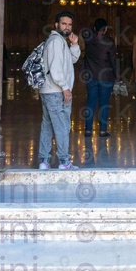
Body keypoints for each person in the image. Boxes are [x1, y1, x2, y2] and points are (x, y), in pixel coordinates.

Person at [37, 11, 80, 170]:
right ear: (56, 25)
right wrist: (65, 88)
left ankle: (44, 161)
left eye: (69, 25)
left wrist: (74, 45)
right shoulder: (56, 41)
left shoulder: (60, 41)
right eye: (64, 24)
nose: (67, 27)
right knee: (62, 126)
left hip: (50, 91)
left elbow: (71, 61)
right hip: (56, 92)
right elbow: (56, 69)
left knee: (48, 125)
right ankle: (64, 162)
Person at [81, 17, 117, 137]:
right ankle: (102, 130)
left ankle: (88, 130)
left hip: (91, 76)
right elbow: (113, 60)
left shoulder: (88, 40)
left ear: (95, 28)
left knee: (90, 102)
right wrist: (117, 74)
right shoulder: (109, 42)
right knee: (104, 103)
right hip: (106, 76)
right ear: (106, 29)